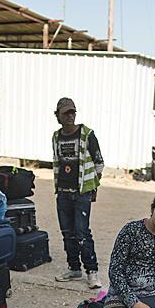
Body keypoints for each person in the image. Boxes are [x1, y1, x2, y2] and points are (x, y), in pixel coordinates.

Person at [51, 97, 104, 289]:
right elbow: (57, 162)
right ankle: (74, 268)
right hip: (63, 192)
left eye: (72, 112)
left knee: (82, 232)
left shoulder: (87, 134)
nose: (70, 116)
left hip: (81, 192)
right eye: (66, 113)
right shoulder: (56, 137)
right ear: (58, 116)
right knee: (67, 232)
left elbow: (99, 163)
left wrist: (93, 187)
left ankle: (92, 272)